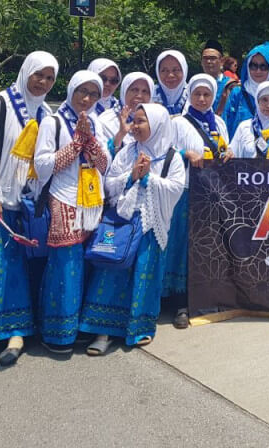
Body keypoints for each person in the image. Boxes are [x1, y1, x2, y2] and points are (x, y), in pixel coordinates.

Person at [0, 51, 58, 367]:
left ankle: (17, 329)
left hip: (31, 204)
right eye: (39, 75)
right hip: (3, 200)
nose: (43, 83)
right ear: (26, 72)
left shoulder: (46, 113)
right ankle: (2, 330)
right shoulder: (0, 106)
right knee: (1, 266)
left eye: (50, 78)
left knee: (24, 267)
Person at [80, 103, 185, 354]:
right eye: (134, 121)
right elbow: (109, 184)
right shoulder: (127, 152)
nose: (135, 126)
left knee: (144, 275)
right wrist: (132, 176)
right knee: (111, 271)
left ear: (157, 125)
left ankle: (138, 327)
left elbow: (175, 188)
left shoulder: (172, 157)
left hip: (151, 225)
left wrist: (149, 178)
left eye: (140, 122)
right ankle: (102, 331)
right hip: (122, 223)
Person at [33, 70, 110, 354]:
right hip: (63, 197)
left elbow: (105, 166)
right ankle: (56, 332)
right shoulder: (52, 122)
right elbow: (42, 166)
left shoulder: (98, 124)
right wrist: (77, 141)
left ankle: (76, 327)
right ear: (71, 90)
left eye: (93, 93)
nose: (87, 98)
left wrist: (90, 140)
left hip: (90, 201)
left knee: (86, 265)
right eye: (82, 92)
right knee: (64, 265)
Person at [169, 74, 230, 329]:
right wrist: (185, 153)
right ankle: (182, 303)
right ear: (190, 95)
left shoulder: (219, 122)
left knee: (209, 245)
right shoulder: (179, 123)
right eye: (197, 94)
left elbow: (225, 147)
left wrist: (230, 152)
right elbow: (165, 149)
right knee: (185, 246)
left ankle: (206, 296)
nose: (202, 99)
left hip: (212, 193)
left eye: (207, 95)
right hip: (187, 189)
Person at [224, 42, 269, 136]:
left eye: (263, 66)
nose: (258, 71)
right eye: (253, 65)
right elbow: (226, 123)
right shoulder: (237, 93)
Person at [97, 72, 154, 158]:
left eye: (145, 91)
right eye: (134, 90)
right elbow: (101, 158)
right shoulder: (106, 120)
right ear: (124, 91)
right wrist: (121, 133)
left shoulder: (155, 121)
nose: (139, 95)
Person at [228, 82, 269, 159]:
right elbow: (233, 153)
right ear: (257, 101)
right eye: (264, 100)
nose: (268, 105)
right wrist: (229, 154)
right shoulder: (245, 127)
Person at [200, 39, 235, 113]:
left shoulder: (231, 86)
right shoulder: (195, 86)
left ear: (221, 61)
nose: (208, 62)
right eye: (205, 58)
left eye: (213, 58)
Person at [154, 50, 189, 116]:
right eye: (164, 70)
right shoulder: (150, 94)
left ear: (184, 70)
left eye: (176, 70)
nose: (170, 75)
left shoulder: (193, 94)